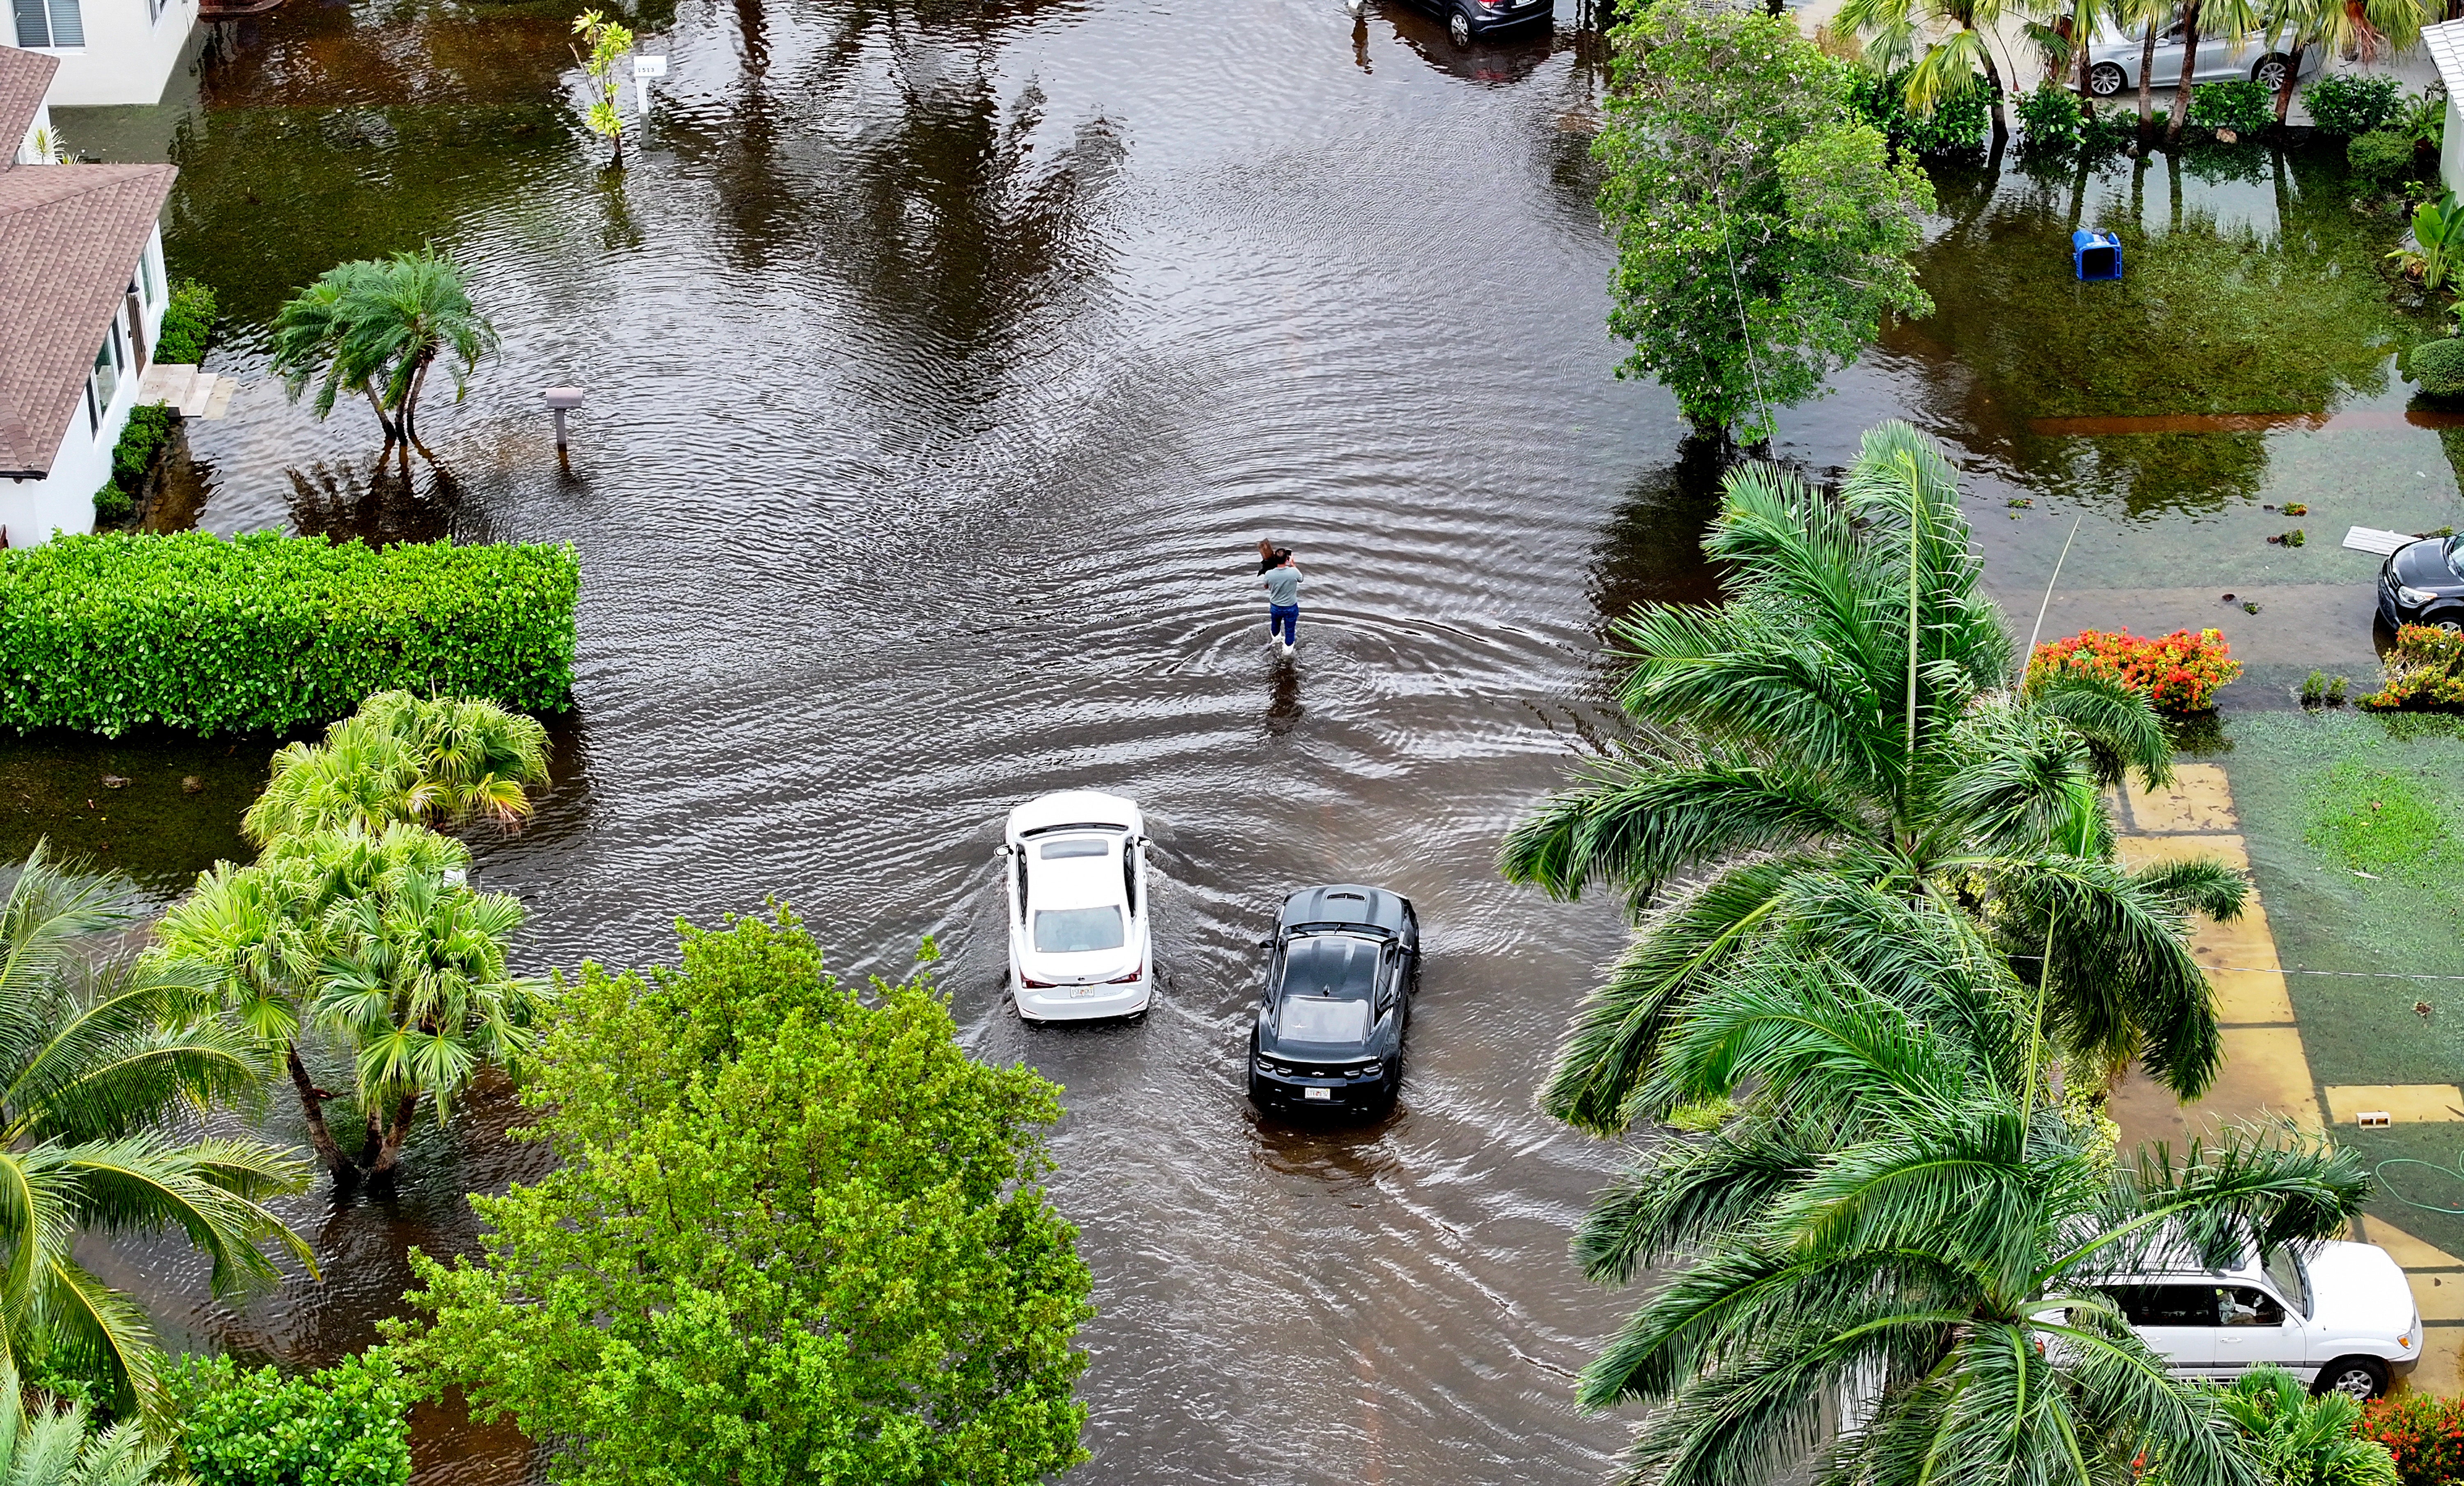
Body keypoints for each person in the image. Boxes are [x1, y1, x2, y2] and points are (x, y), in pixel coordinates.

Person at [1259, 544, 1301, 656]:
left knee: (1275, 626)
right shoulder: (1294, 572)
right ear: (1287, 559)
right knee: (1290, 631)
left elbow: (1266, 587)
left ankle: (1276, 642)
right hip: (1291, 607)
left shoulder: (1269, 574)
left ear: (1275, 559)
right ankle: (1286, 656)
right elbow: (1301, 579)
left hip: (1276, 606)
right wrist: (1293, 565)